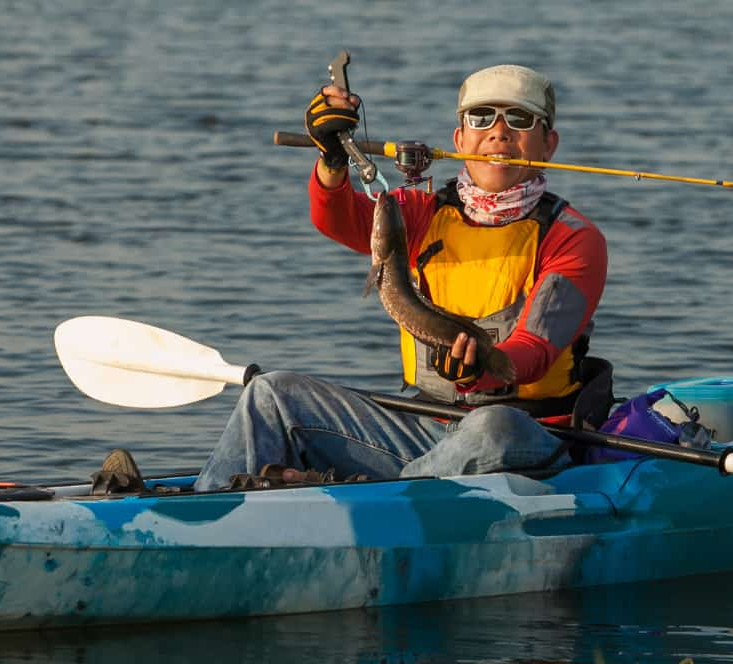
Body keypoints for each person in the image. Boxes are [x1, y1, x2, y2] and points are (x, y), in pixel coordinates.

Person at [190, 64, 609, 492]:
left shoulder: (574, 239)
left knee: (494, 426)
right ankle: (209, 507)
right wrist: (332, 161)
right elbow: (339, 219)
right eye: (481, 118)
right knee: (270, 393)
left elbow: (534, 350)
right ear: (460, 139)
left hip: (527, 437)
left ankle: (358, 493)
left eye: (519, 120)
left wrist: (478, 368)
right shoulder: (420, 210)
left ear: (548, 144)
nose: (498, 134)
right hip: (422, 429)